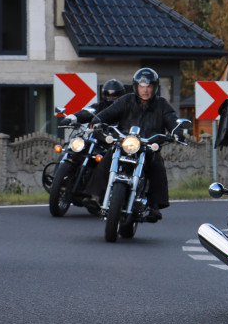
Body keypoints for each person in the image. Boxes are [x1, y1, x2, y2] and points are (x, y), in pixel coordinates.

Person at [68, 68, 177, 222]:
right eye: (142, 86)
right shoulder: (126, 100)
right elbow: (109, 112)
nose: (145, 90)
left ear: (155, 87)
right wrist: (97, 120)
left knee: (157, 164)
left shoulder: (161, 104)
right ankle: (94, 196)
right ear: (136, 86)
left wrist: (177, 130)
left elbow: (172, 119)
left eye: (149, 86)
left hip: (148, 146)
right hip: (125, 143)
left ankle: (155, 206)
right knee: (108, 156)